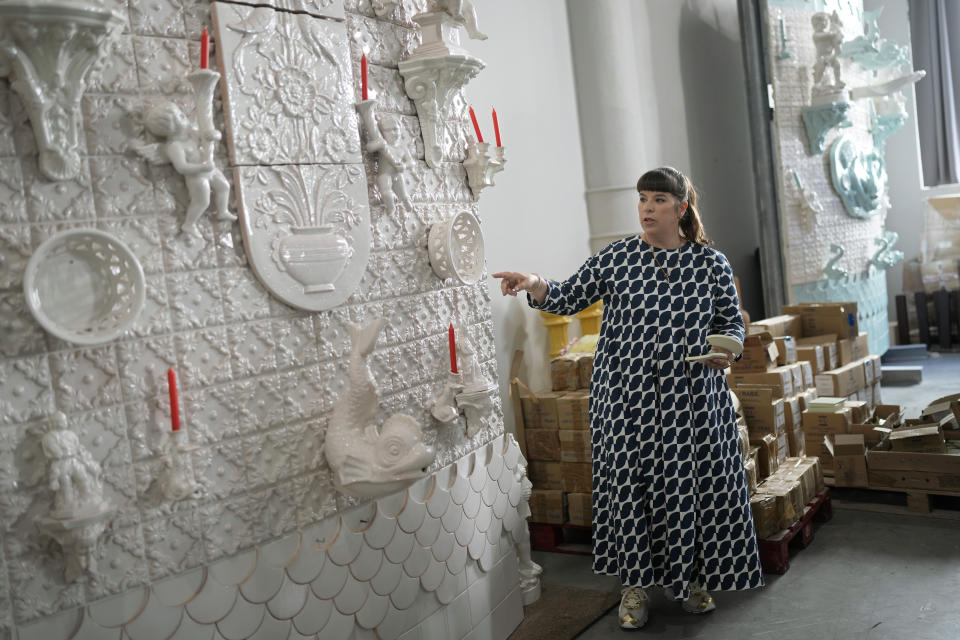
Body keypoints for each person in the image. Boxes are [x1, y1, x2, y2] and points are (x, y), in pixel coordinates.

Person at [492, 167, 763, 630]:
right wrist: (533, 282)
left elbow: (731, 320)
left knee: (689, 486)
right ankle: (635, 587)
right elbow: (567, 295)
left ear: (680, 208)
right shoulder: (617, 258)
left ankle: (692, 579)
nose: (647, 208)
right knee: (629, 488)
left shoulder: (710, 264)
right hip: (624, 397)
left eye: (658, 199)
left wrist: (725, 349)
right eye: (642, 199)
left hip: (691, 396)